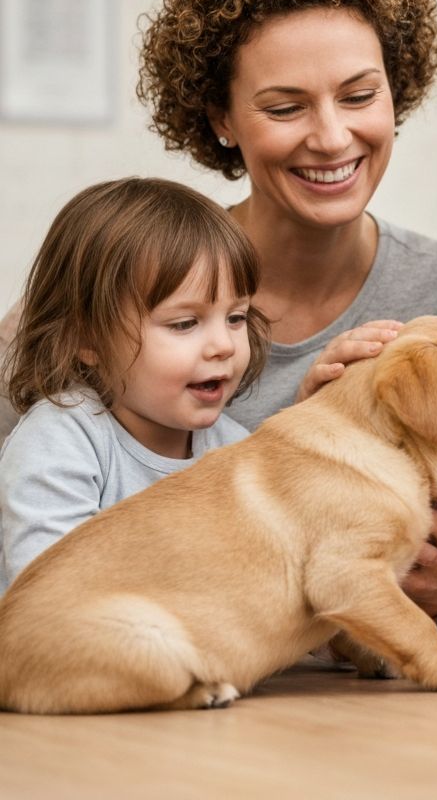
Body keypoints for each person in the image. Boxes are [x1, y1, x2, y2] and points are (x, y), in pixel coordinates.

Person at [0, 0, 437, 614]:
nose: (330, 137)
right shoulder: (122, 288)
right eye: (285, 107)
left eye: (360, 95)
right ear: (221, 117)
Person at [0, 178, 267, 593]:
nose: (223, 346)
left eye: (236, 318)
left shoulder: (235, 449)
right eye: (184, 323)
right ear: (86, 338)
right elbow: (50, 592)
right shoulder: (61, 440)